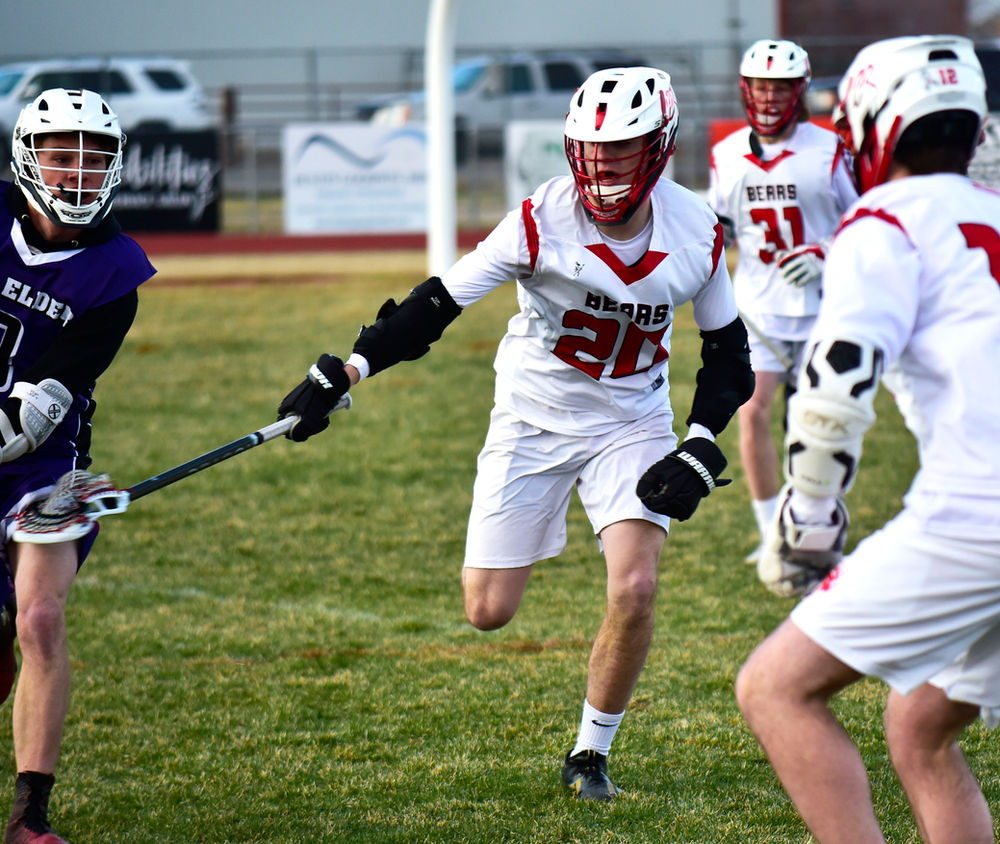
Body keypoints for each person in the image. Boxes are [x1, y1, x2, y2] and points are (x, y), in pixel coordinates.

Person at [277, 66, 753, 800]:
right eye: (591, 151)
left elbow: (728, 358)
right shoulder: (538, 218)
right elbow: (435, 304)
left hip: (631, 418)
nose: (602, 168)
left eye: (621, 151)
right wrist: (349, 370)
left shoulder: (696, 232)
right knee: (488, 610)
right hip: (532, 416)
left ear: (659, 150)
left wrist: (698, 441)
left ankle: (590, 755)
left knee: (636, 585)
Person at [736, 35, 1000, 843]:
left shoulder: (883, 220)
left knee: (773, 688)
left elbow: (838, 379)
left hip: (978, 516)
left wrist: (807, 516)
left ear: (875, 124)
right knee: (921, 723)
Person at [0, 89, 154, 843]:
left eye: (95, 157)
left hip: (44, 467)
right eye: (64, 155)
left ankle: (30, 815)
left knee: (40, 615)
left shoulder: (116, 272)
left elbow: (31, 418)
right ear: (30, 156)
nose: (80, 172)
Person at [707, 39, 857, 564]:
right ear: (746, 90)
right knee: (752, 413)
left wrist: (825, 251)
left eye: (781, 86)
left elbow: (866, 224)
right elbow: (719, 230)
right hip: (760, 307)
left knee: (820, 420)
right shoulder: (726, 156)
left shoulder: (831, 149)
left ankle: (817, 522)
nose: (770, 97)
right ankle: (771, 528)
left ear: (801, 89)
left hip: (823, 306)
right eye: (761, 86)